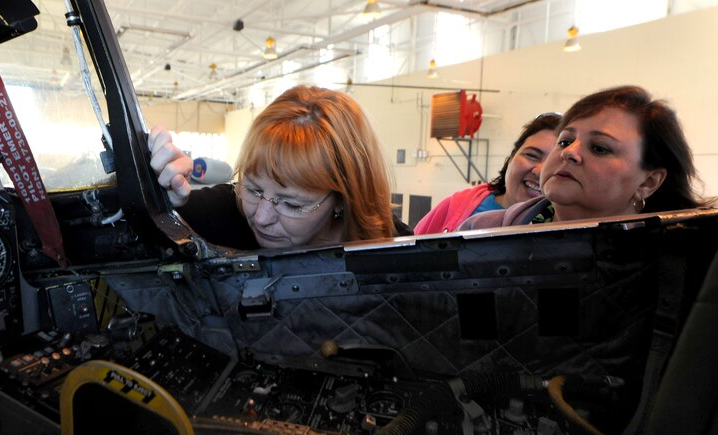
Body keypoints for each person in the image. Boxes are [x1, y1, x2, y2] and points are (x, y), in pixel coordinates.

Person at [149, 85, 412, 250]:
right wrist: (157, 195)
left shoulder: (392, 247)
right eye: (252, 189)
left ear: (342, 200)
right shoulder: (221, 212)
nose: (261, 218)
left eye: (292, 205)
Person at [459, 85, 712, 230]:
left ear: (648, 182)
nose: (569, 152)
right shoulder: (482, 232)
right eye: (565, 141)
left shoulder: (685, 260)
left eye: (600, 148)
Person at [413, 112, 561, 234]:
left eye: (554, 163)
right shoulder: (457, 204)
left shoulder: (563, 227)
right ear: (512, 156)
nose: (540, 171)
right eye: (532, 155)